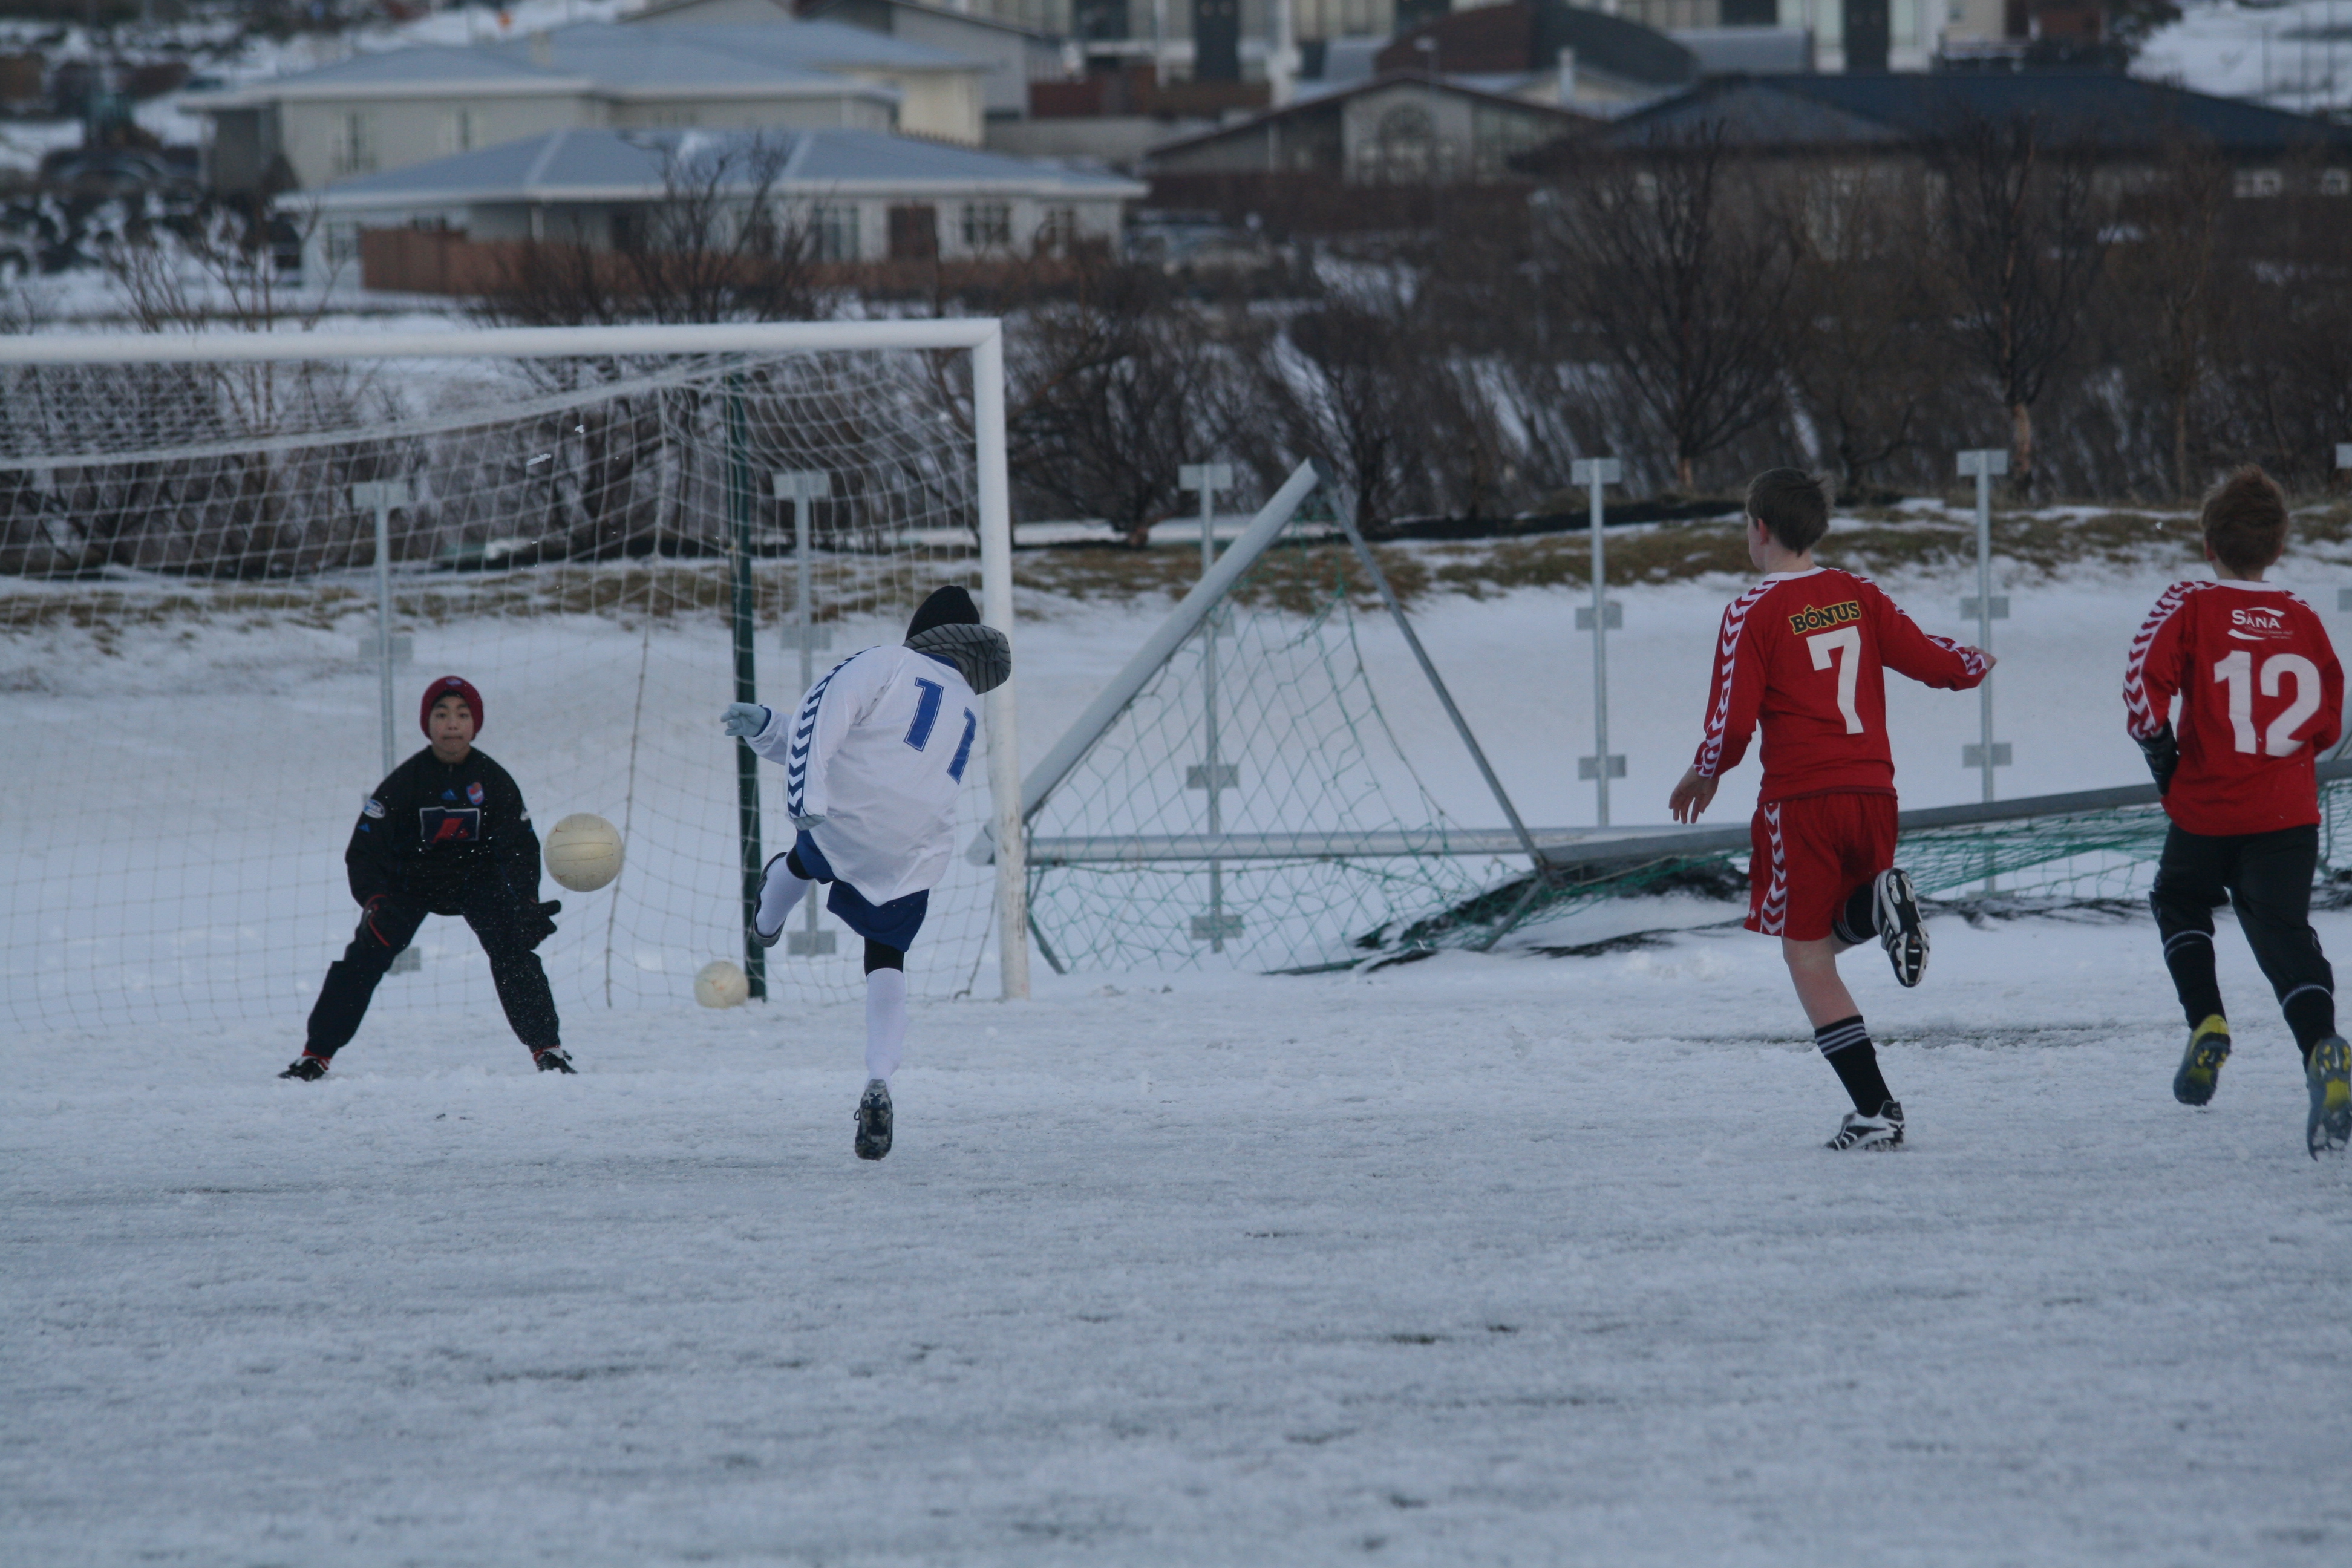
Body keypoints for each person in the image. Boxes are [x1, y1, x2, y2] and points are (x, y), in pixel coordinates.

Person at [1668, 469, 1991, 1150]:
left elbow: (1733, 722)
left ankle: (1876, 1111)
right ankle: (1879, 900)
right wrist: (1972, 663)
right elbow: (1929, 659)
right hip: (1874, 793)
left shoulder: (1751, 611)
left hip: (1802, 802)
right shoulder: (1857, 593)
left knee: (1807, 957)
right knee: (1830, 937)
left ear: (1760, 528)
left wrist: (1705, 772)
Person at [720, 585, 1010, 1161]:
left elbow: (824, 717)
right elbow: (874, 750)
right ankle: (880, 1076)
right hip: (916, 850)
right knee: (886, 958)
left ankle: (767, 919)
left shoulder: (889, 661)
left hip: (848, 821)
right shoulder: (966, 704)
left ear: (919, 633)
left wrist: (795, 779)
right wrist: (770, 729)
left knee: (808, 855)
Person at [2124, 466, 2350, 1157]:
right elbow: (2327, 720)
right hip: (2288, 814)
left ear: (2207, 544)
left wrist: (2164, 759)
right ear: (2279, 549)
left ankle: (2208, 1021)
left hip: (2208, 808)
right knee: (2285, 936)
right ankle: (2325, 1049)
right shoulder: (2304, 618)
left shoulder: (2190, 604)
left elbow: (2141, 689)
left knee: (2179, 899)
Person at [278, 675, 568, 1080]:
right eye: (442, 714)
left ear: (475, 724)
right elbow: (365, 849)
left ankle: (548, 1050)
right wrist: (374, 900)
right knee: (365, 954)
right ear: (427, 724)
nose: (452, 724)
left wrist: (525, 901)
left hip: (478, 880)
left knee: (514, 951)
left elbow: (519, 847)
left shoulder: (494, 780)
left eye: (463, 715)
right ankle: (315, 1055)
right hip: (411, 881)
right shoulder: (404, 782)